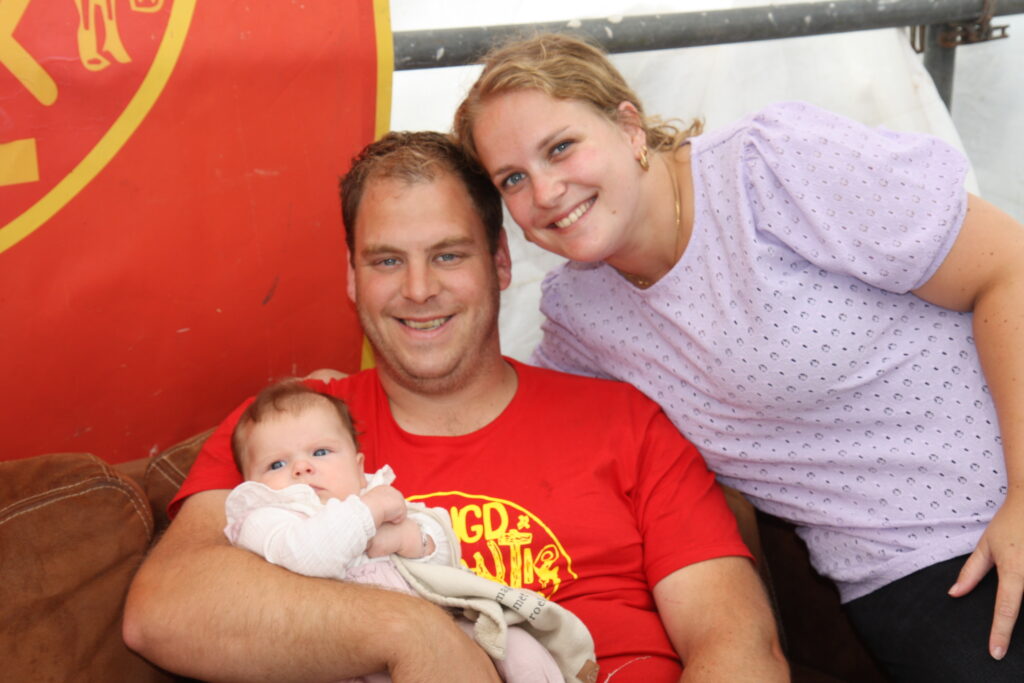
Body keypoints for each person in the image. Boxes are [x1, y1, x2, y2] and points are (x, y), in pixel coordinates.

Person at [452, 31, 1024, 682]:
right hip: (910, 576)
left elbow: (1008, 268)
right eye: (513, 179)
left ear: (629, 127)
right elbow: (509, 421)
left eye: (560, 147)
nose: (547, 190)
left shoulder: (768, 166)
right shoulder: (580, 319)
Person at [123, 130, 788, 682]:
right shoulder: (290, 432)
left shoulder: (626, 422)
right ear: (352, 276)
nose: (419, 289)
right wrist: (412, 633)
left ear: (500, 262)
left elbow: (738, 647)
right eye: (387, 261)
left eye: (448, 255)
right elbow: (164, 609)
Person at [225, 378, 590, 683]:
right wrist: (369, 512)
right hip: (340, 649)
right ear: (249, 484)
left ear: (358, 467)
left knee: (517, 645)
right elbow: (309, 556)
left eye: (320, 452)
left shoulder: (373, 493)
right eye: (277, 464)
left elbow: (445, 555)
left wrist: (411, 539)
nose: (302, 468)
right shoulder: (267, 519)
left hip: (439, 622)